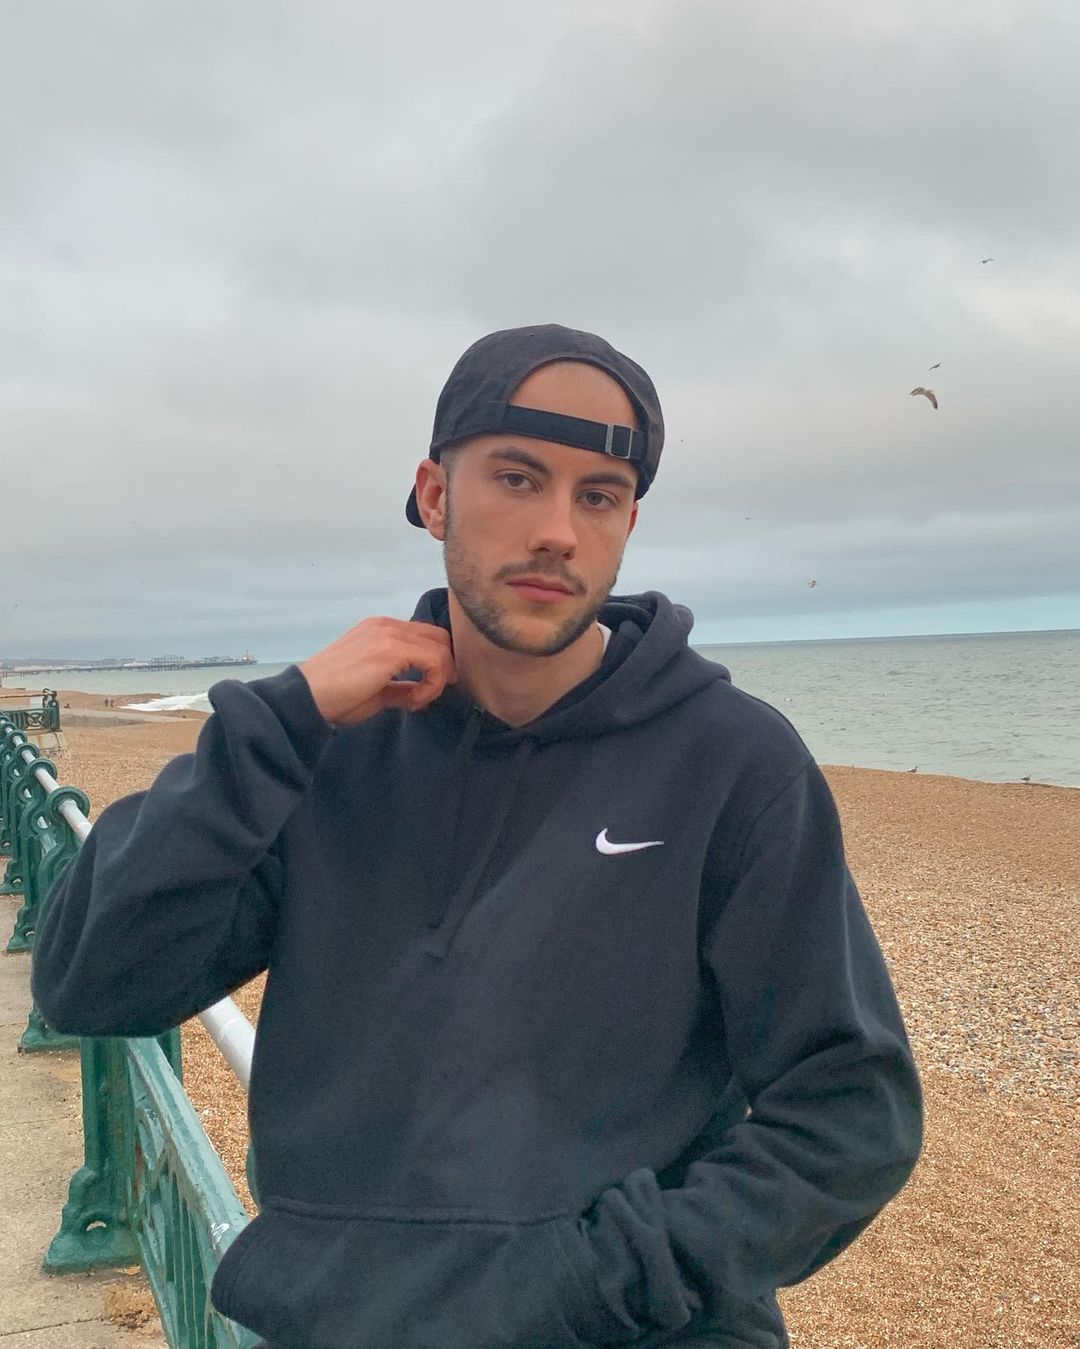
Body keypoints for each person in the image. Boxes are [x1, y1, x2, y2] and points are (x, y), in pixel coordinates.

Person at [32, 324, 923, 1349]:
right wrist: (277, 723)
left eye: (599, 495)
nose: (559, 530)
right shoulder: (323, 751)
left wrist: (607, 1277)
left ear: (630, 521)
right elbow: (91, 981)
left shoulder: (733, 761)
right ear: (434, 494)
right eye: (517, 477)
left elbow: (852, 1108)